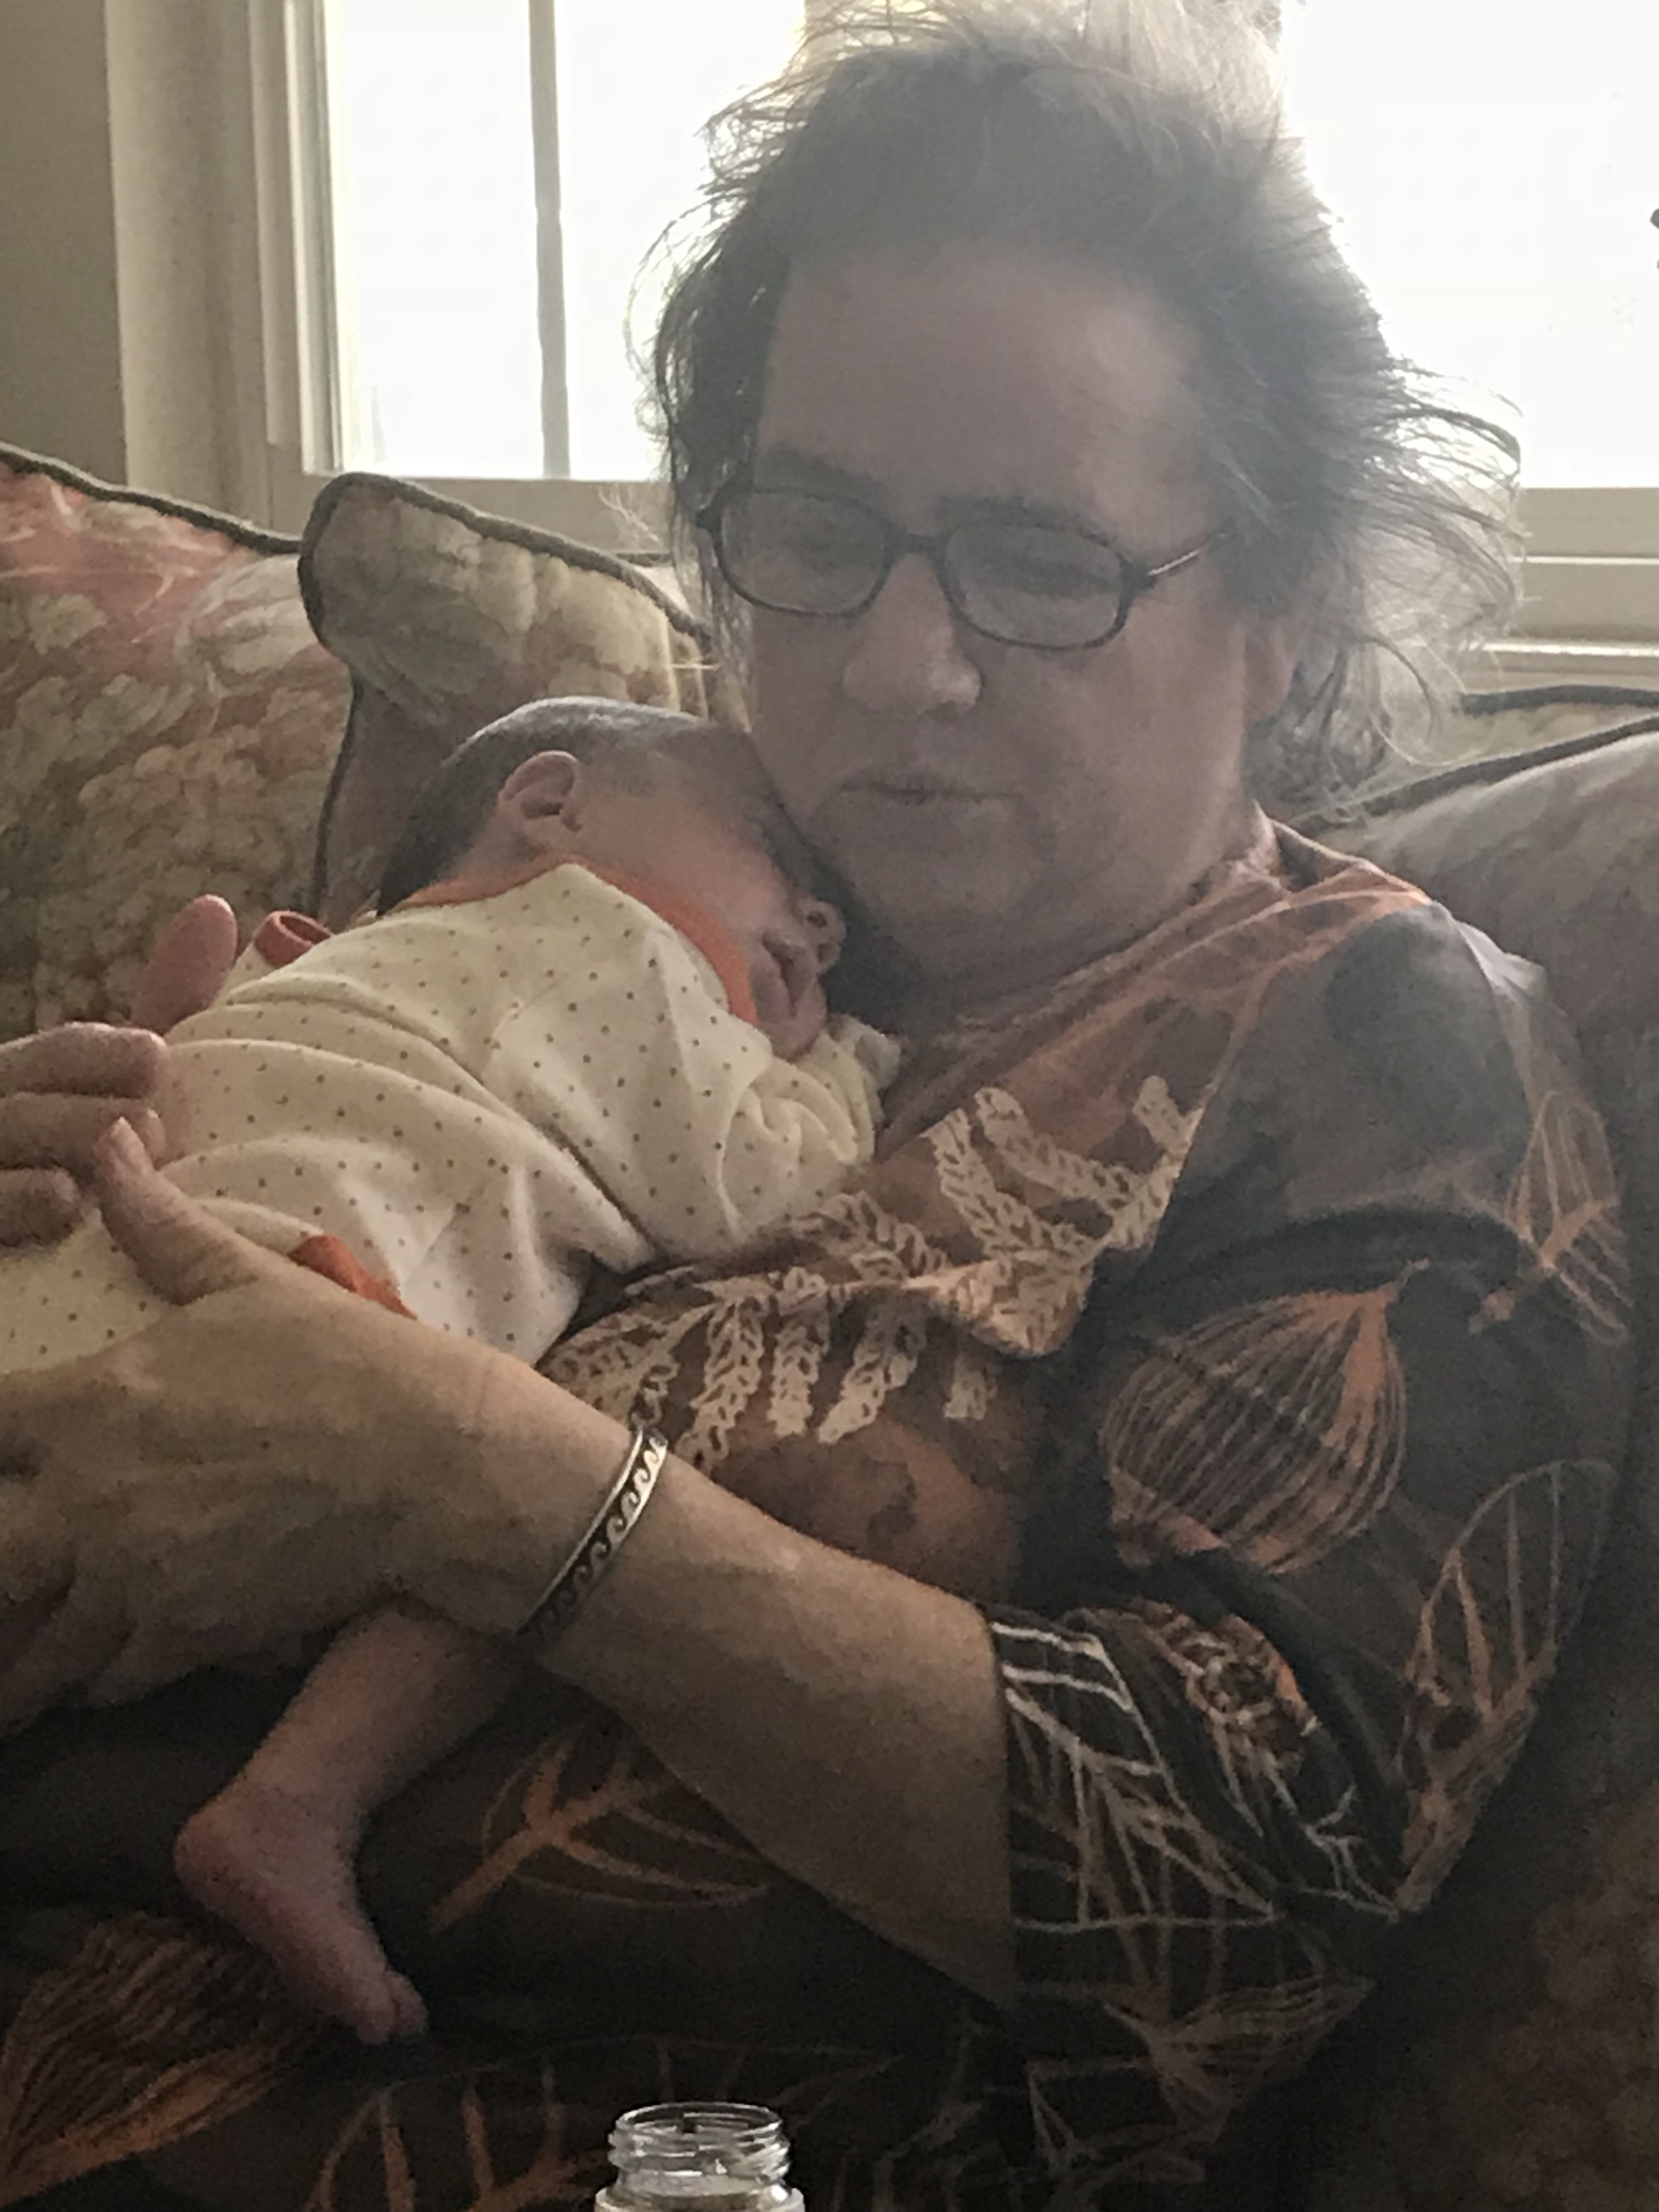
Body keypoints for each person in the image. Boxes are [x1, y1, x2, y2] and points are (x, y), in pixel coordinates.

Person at [0, 3, 1633, 2205]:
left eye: (1038, 562)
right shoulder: (613, 904)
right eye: (815, 526)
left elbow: (1232, 1902)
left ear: (1278, 606)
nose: (893, 664)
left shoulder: (1374, 1047)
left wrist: (465, 1479)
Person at [1, 692, 913, 2050]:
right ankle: (294, 1801)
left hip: (70, 1289)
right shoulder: (614, 939)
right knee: (543, 1522)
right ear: (551, 806)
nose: (823, 922)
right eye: (779, 851)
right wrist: (854, 1059)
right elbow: (766, 1187)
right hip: (270, 1322)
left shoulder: (336, 966)